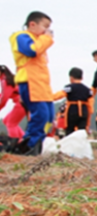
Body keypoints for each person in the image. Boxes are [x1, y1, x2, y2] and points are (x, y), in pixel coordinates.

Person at [9, 11, 55, 156]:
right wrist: (47, 39)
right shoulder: (21, 36)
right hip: (30, 82)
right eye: (45, 26)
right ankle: (27, 147)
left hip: (43, 85)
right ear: (32, 24)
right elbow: (31, 51)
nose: (46, 31)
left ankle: (36, 147)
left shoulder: (38, 39)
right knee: (39, 116)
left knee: (48, 118)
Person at [53, 68, 94, 136]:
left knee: (70, 130)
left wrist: (48, 97)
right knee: (82, 131)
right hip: (84, 111)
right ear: (82, 77)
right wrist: (89, 113)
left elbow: (59, 95)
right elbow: (91, 104)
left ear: (71, 78)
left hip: (72, 110)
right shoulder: (88, 90)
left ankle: (71, 145)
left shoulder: (69, 87)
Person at [0, 65, 26, 147]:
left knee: (11, 123)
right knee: (6, 120)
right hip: (23, 103)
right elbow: (4, 95)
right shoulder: (8, 78)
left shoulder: (5, 81)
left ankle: (14, 145)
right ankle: (23, 138)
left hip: (21, 104)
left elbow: (4, 98)